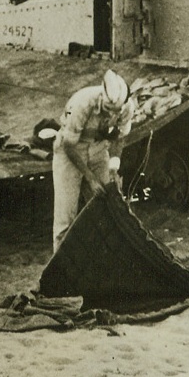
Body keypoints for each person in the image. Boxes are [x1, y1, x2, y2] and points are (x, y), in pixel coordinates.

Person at [51, 69, 134, 253]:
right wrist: (90, 178)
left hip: (98, 148)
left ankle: (99, 260)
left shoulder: (127, 107)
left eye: (115, 111)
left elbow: (119, 138)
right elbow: (68, 145)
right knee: (66, 218)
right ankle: (60, 271)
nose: (110, 115)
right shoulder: (81, 102)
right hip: (70, 151)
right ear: (102, 101)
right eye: (107, 111)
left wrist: (114, 169)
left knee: (107, 206)